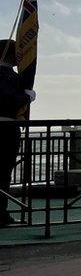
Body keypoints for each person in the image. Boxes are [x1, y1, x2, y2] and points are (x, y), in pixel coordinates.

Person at [2, 39, 36, 226]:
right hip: (6, 129)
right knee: (3, 171)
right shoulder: (6, 75)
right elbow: (6, 100)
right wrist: (27, 96)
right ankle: (1, 214)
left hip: (8, 128)